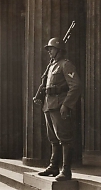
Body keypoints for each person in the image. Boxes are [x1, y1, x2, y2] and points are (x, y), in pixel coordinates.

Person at [33, 37, 81, 181]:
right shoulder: (52, 66)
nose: (49, 52)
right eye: (48, 49)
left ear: (59, 50)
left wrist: (66, 105)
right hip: (49, 105)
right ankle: (54, 167)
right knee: (53, 139)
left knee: (65, 139)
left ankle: (66, 171)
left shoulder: (66, 65)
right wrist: (39, 97)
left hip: (59, 106)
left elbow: (76, 86)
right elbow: (46, 86)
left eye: (51, 49)